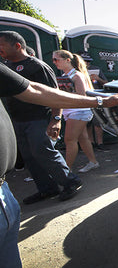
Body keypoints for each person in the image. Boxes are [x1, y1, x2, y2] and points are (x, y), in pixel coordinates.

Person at [0, 61, 118, 268]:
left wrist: (90, 105)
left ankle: (70, 177)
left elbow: (36, 90)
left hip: (5, 193)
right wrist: (99, 103)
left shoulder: (40, 68)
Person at [0, 31, 83, 205]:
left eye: (1, 45)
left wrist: (56, 119)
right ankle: (47, 189)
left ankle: (70, 181)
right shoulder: (6, 66)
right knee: (29, 157)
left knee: (43, 152)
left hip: (38, 119)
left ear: (17, 46)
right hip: (18, 121)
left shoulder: (38, 66)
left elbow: (54, 95)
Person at [52, 50, 99, 173]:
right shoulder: (67, 75)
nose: (54, 62)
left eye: (57, 59)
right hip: (72, 111)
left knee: (70, 140)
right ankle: (93, 162)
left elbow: (81, 96)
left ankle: (67, 170)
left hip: (78, 111)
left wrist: (61, 94)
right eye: (53, 59)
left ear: (68, 60)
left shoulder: (76, 75)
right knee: (82, 138)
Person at [81, 53, 109, 152]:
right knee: (87, 123)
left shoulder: (96, 69)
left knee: (97, 122)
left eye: (88, 61)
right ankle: (91, 143)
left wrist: (98, 79)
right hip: (83, 98)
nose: (87, 63)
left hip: (95, 97)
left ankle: (100, 143)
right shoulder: (76, 71)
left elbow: (106, 83)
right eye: (85, 61)